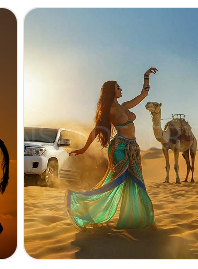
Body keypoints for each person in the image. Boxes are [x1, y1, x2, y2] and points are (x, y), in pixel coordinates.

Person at [66, 67, 159, 230]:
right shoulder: (109, 110)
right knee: (115, 181)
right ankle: (82, 205)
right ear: (112, 92)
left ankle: (136, 218)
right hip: (119, 148)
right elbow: (97, 130)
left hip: (133, 148)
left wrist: (146, 76)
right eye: (118, 87)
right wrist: (83, 149)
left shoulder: (124, 106)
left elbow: (144, 95)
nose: (121, 89)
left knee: (137, 182)